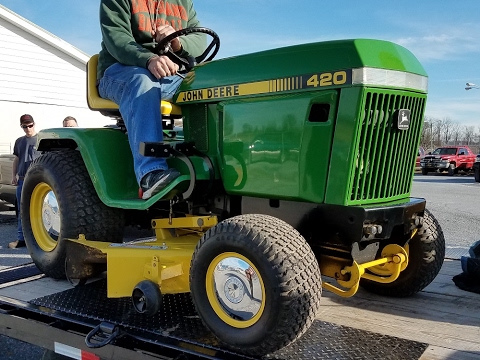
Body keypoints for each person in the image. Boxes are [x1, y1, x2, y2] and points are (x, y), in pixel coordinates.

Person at [97, 0, 206, 199]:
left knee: (210, 82)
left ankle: (209, 160)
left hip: (167, 75)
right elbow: (117, 39)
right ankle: (150, 173)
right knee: (143, 80)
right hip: (121, 71)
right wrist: (148, 59)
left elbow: (199, 39)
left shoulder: (183, 2)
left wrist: (177, 42)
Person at [8, 114, 41, 249]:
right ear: (21, 127)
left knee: (38, 210)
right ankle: (21, 239)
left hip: (37, 181)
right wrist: (13, 175)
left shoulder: (41, 140)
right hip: (22, 180)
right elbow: (16, 159)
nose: (28, 128)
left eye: (30, 125)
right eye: (25, 126)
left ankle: (39, 239)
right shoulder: (19, 141)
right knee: (22, 211)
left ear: (34, 124)